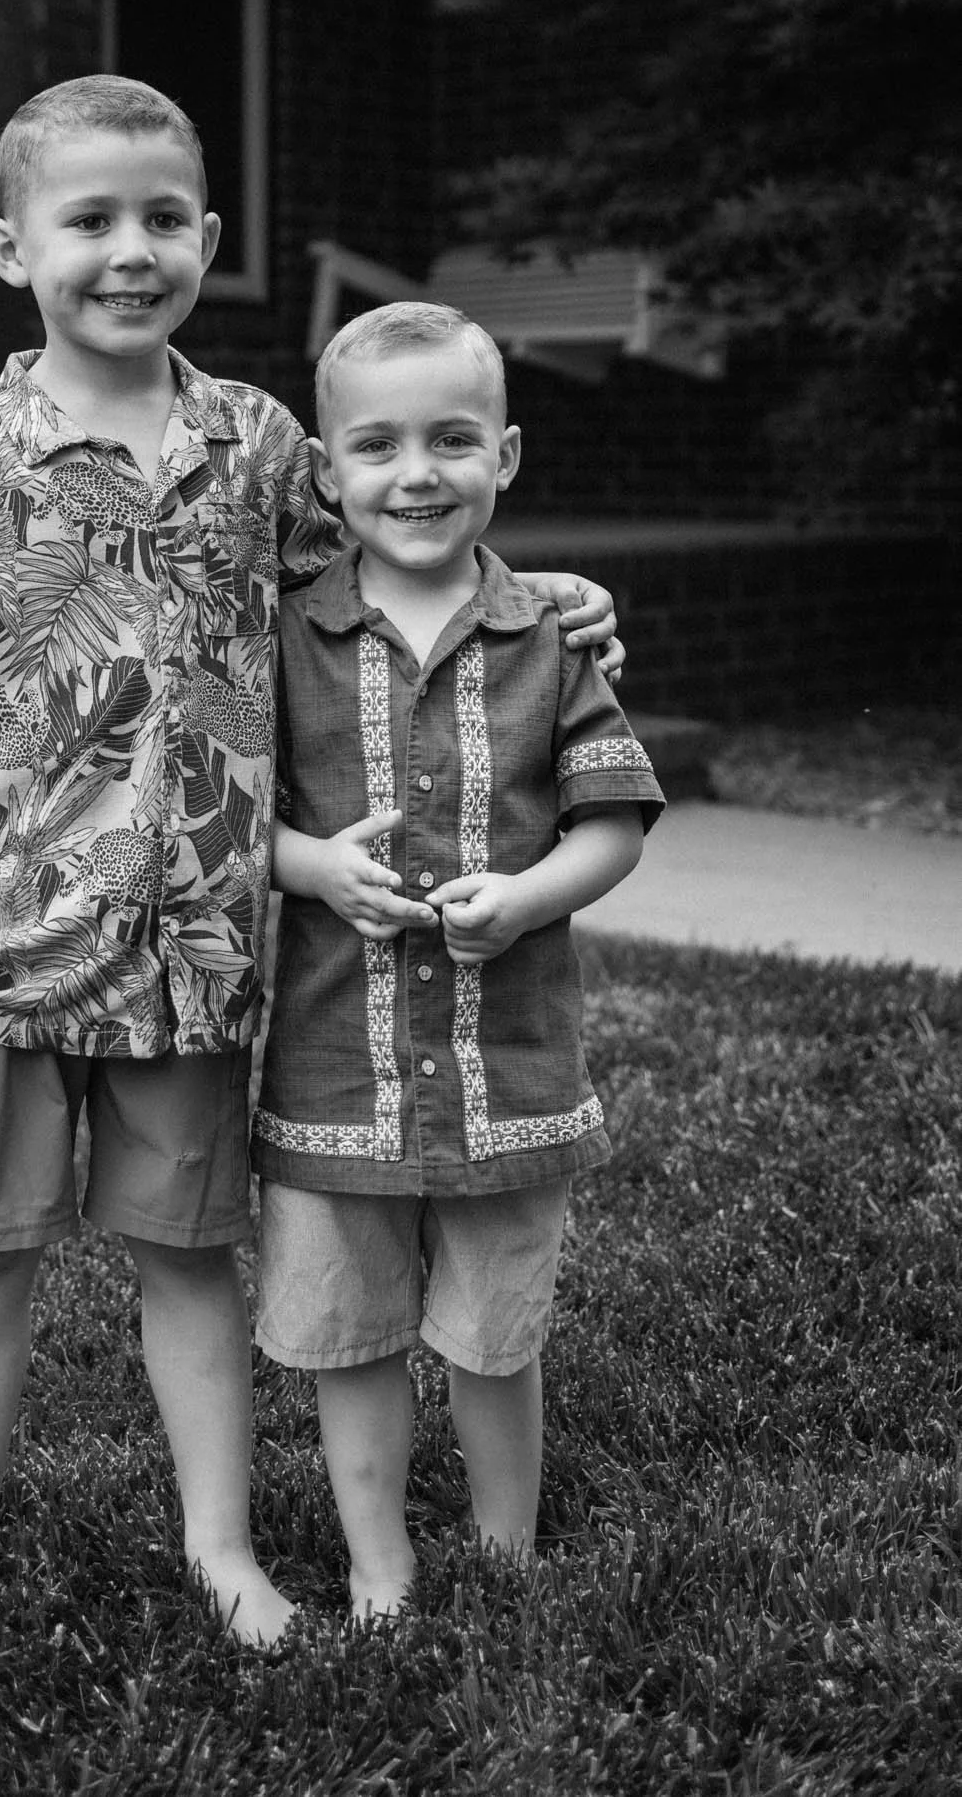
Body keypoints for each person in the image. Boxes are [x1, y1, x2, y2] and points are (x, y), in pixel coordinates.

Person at [0, 77, 623, 1654]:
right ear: (11, 249)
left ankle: (222, 1546)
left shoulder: (258, 444)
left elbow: (407, 539)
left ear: (209, 235)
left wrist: (546, 598)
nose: (132, 250)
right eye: (91, 219)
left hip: (199, 951)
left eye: (164, 218)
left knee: (188, 1255)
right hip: (8, 948)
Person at [251, 300, 663, 1622]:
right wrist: (314, 868)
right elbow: (229, 817)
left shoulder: (550, 636)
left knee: (494, 1330)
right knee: (348, 1332)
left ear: (507, 456)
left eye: (453, 440)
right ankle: (379, 1563)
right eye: (376, 445)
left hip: (508, 1063)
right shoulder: (285, 637)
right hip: (337, 1065)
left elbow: (615, 821)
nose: (416, 473)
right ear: (327, 473)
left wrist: (529, 899)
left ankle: (503, 1549)